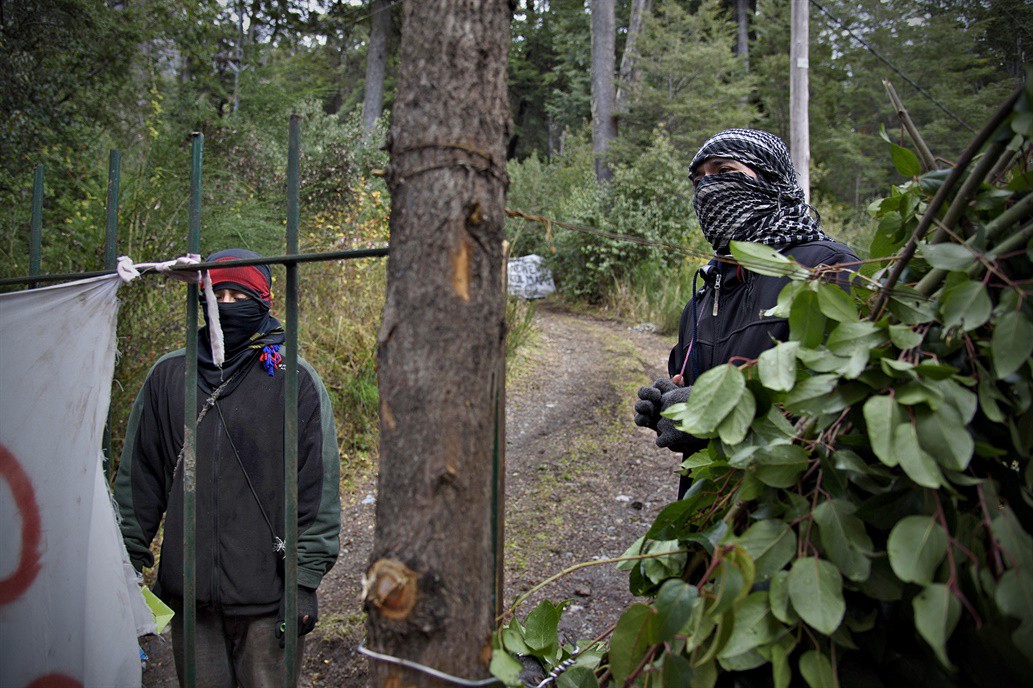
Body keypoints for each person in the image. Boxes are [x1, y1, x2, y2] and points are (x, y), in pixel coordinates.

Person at [114, 248, 341, 687]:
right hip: (189, 603)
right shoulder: (169, 377)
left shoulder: (294, 380)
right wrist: (124, 565)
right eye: (219, 295)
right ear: (203, 300)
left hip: (267, 603)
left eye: (241, 294)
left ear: (265, 301)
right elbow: (139, 481)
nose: (229, 305)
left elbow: (317, 489)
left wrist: (303, 583)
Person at [634, 129, 860, 498]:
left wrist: (714, 413)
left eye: (724, 170)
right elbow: (693, 390)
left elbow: (846, 396)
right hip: (711, 512)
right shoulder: (702, 297)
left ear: (771, 178)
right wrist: (667, 408)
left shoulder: (825, 267)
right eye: (699, 180)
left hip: (797, 510)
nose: (708, 188)